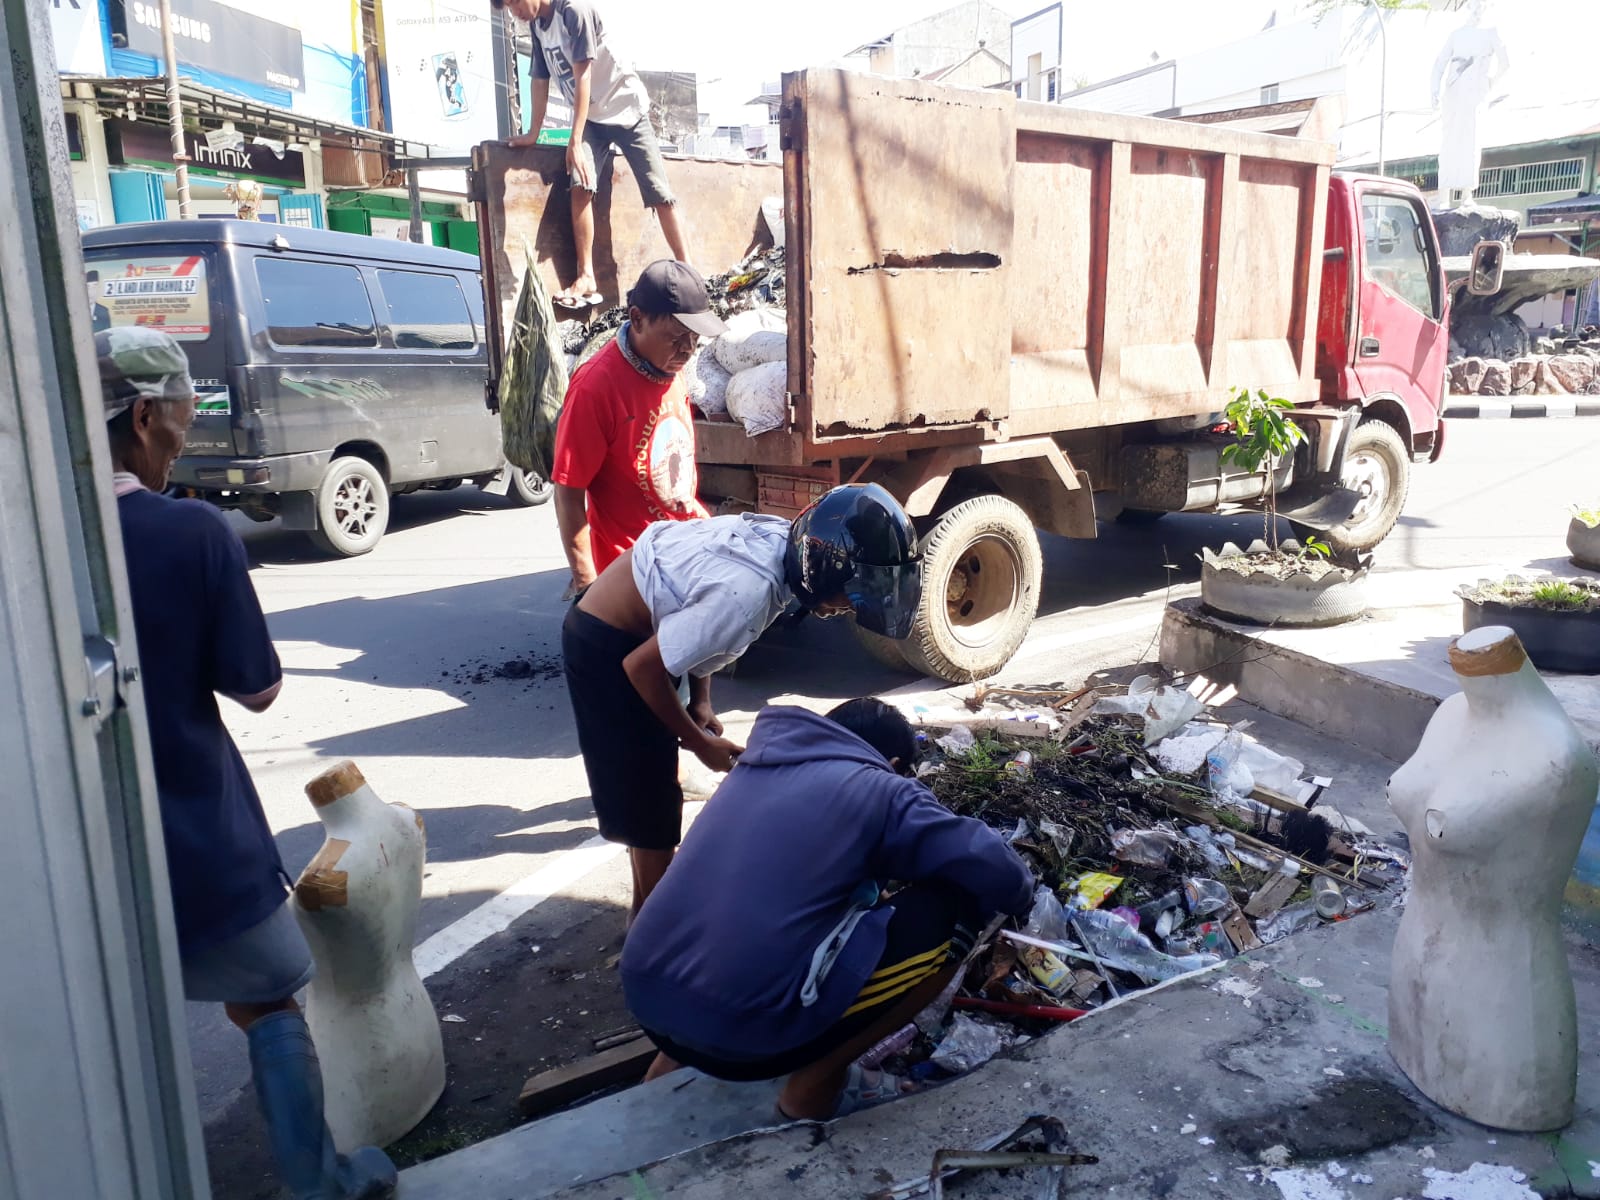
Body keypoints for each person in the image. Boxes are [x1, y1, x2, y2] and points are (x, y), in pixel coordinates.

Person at [99, 326, 395, 1200]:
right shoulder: (187, 530)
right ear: (147, 415)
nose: (187, 434)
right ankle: (322, 1183)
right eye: (186, 415)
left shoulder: (35, 532)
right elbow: (258, 688)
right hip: (191, 829)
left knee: (108, 1019)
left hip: (69, 850)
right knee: (267, 994)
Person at [621, 697, 1034, 1121]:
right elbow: (999, 872)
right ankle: (814, 1088)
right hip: (744, 1040)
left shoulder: (755, 768)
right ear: (891, 762)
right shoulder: (882, 789)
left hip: (645, 998)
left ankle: (665, 1070)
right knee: (954, 913)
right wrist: (1025, 899)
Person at [562, 483, 922, 920]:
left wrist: (702, 702)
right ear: (827, 570)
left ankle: (647, 912)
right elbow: (643, 668)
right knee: (650, 806)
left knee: (656, 794)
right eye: (851, 597)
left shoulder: (785, 546)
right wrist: (700, 743)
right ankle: (652, 932)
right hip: (610, 646)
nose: (850, 609)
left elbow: (697, 626)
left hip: (643, 635)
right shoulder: (748, 593)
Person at [495, 0, 689, 307]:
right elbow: (539, 80)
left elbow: (582, 75)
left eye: (515, 2)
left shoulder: (574, 11)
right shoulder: (537, 26)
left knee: (658, 193)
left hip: (626, 109)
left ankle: (688, 270)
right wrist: (533, 133)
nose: (514, 12)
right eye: (508, 7)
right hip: (591, 118)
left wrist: (574, 139)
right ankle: (586, 276)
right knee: (580, 183)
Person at [550, 259, 726, 597]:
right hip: (634, 574)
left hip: (685, 556)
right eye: (676, 338)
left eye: (694, 338)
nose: (687, 350)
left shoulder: (671, 368)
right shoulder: (596, 386)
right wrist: (588, 588)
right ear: (637, 319)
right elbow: (568, 494)